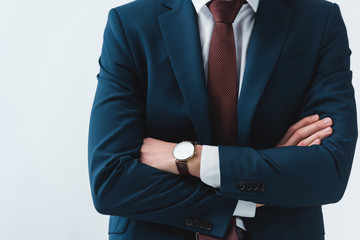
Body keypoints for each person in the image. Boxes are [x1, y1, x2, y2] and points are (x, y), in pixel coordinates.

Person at [88, 0, 357, 239]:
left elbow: (329, 170)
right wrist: (257, 192)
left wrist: (190, 158)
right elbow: (110, 181)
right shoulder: (130, 24)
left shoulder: (319, 19)